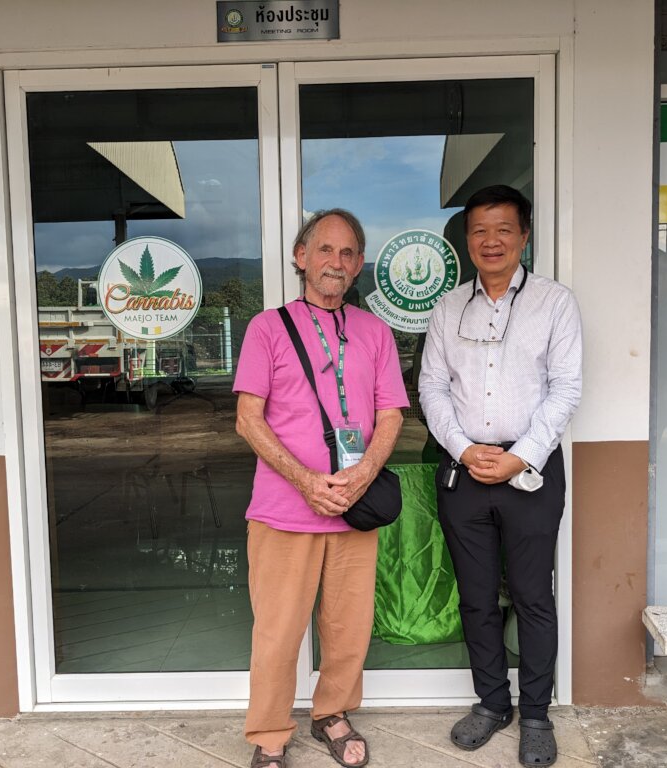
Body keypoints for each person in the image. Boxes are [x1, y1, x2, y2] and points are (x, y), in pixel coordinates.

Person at [234, 209, 408, 768]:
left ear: (359, 265)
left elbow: (390, 414)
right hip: (284, 509)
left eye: (348, 252)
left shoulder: (375, 332)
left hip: (353, 508)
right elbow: (248, 420)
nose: (337, 261)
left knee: (347, 628)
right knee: (278, 633)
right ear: (301, 256)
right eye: (326, 249)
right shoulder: (267, 328)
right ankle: (269, 733)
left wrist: (362, 475)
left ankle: (332, 712)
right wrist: (307, 481)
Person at [419, 185, 582, 767]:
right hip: (464, 470)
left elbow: (566, 388)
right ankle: (492, 703)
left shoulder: (554, 303)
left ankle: (536, 713)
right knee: (477, 597)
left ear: (524, 236)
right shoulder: (448, 308)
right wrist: (464, 449)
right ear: (467, 240)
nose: (491, 241)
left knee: (534, 597)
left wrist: (522, 455)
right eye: (480, 231)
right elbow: (432, 387)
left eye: (504, 230)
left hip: (530, 470)